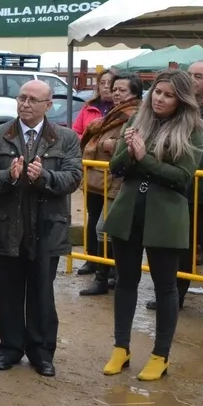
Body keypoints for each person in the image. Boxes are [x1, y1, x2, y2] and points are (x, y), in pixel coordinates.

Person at [102, 69, 203, 380]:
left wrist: (143, 157)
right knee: (124, 281)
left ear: (181, 100)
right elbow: (116, 166)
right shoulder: (138, 121)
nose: (160, 99)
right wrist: (130, 155)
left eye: (168, 95)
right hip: (128, 213)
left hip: (166, 218)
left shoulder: (192, 130)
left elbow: (182, 178)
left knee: (165, 287)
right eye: (157, 92)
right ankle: (121, 347)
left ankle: (160, 355)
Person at [0, 79, 82, 377]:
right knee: (8, 291)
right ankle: (9, 348)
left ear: (48, 105)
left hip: (47, 227)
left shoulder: (66, 137)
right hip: (8, 225)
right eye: (22, 98)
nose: (25, 104)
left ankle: (42, 351)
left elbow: (74, 177)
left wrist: (45, 177)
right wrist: (8, 175)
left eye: (33, 100)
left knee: (41, 292)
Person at [144, 60, 203, 323]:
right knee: (178, 247)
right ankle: (174, 296)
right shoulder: (176, 107)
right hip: (176, 190)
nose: (191, 79)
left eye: (198, 75)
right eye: (189, 74)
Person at [78, 71, 142, 296]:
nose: (116, 93)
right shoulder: (110, 114)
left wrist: (113, 146)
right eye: (114, 89)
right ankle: (106, 277)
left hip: (121, 180)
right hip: (103, 178)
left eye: (121, 90)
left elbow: (135, 146)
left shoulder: (136, 115)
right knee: (104, 228)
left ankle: (109, 277)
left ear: (134, 93)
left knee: (106, 229)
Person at [73, 69, 116, 277]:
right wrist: (92, 143)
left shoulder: (122, 110)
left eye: (111, 83)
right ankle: (92, 259)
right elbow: (77, 131)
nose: (106, 87)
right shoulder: (89, 108)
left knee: (110, 219)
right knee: (94, 215)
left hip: (114, 172)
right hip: (92, 169)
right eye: (103, 82)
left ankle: (109, 263)